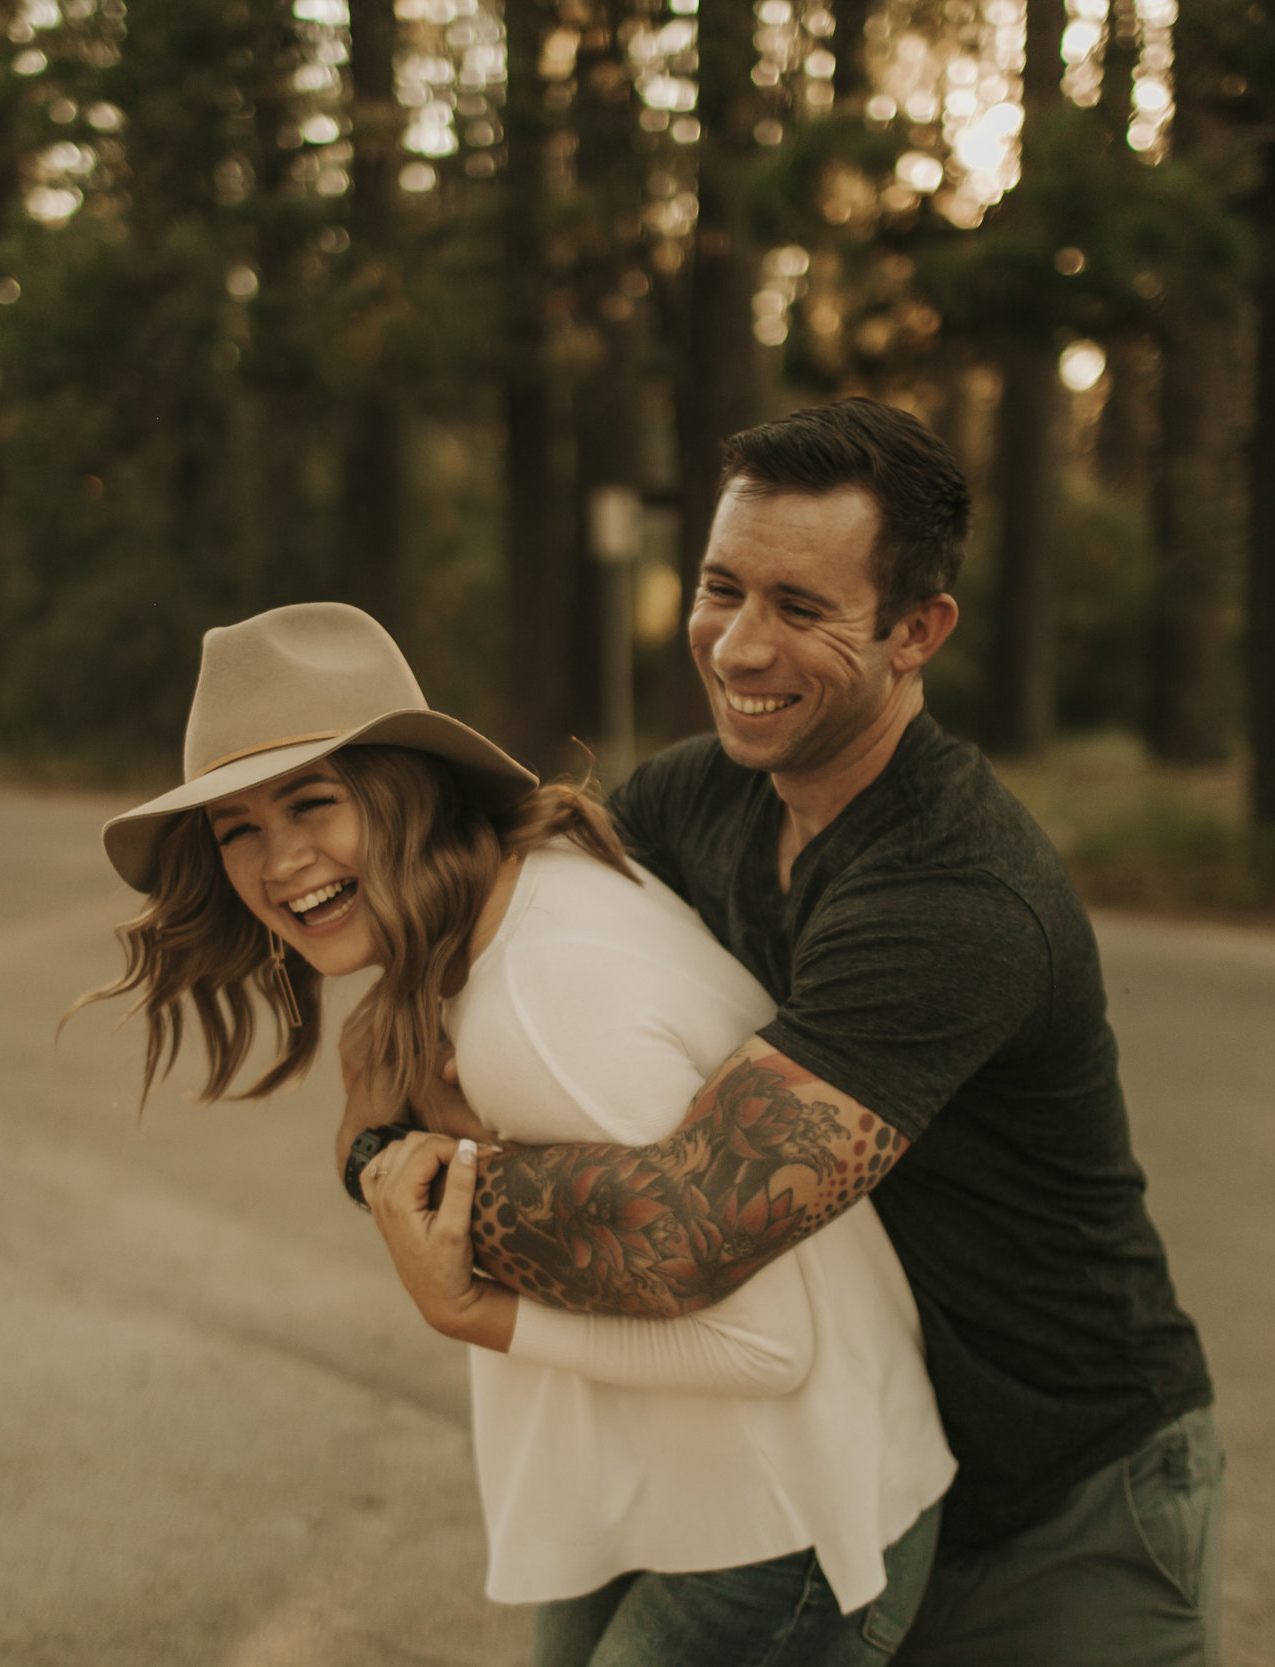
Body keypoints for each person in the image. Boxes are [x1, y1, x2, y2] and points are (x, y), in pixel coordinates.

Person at [363, 397, 1222, 1667]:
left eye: (802, 608)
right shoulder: (685, 797)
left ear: (916, 630)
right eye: (722, 588)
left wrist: (418, 1194)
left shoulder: (950, 895)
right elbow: (478, 946)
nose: (739, 646)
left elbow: (687, 1223)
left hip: (1059, 1487)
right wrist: (386, 1082)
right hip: (851, 1442)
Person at [90, 601, 956, 1666]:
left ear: (405, 791)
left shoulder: (536, 1000)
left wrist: (476, 1310)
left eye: (313, 802)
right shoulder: (505, 910)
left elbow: (768, 1343)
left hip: (782, 1530)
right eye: (238, 829)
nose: (278, 862)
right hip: (684, 1492)